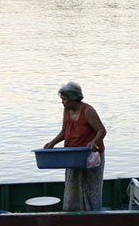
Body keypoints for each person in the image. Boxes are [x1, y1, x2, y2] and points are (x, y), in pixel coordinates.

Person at [43, 81, 107, 211]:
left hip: (90, 155)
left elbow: (102, 130)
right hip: (73, 155)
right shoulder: (67, 110)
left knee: (90, 187)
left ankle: (92, 214)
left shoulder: (88, 111)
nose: (63, 102)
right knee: (72, 187)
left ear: (73, 99)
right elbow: (64, 132)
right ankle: (72, 214)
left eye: (65, 100)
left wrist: (94, 142)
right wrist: (52, 143)